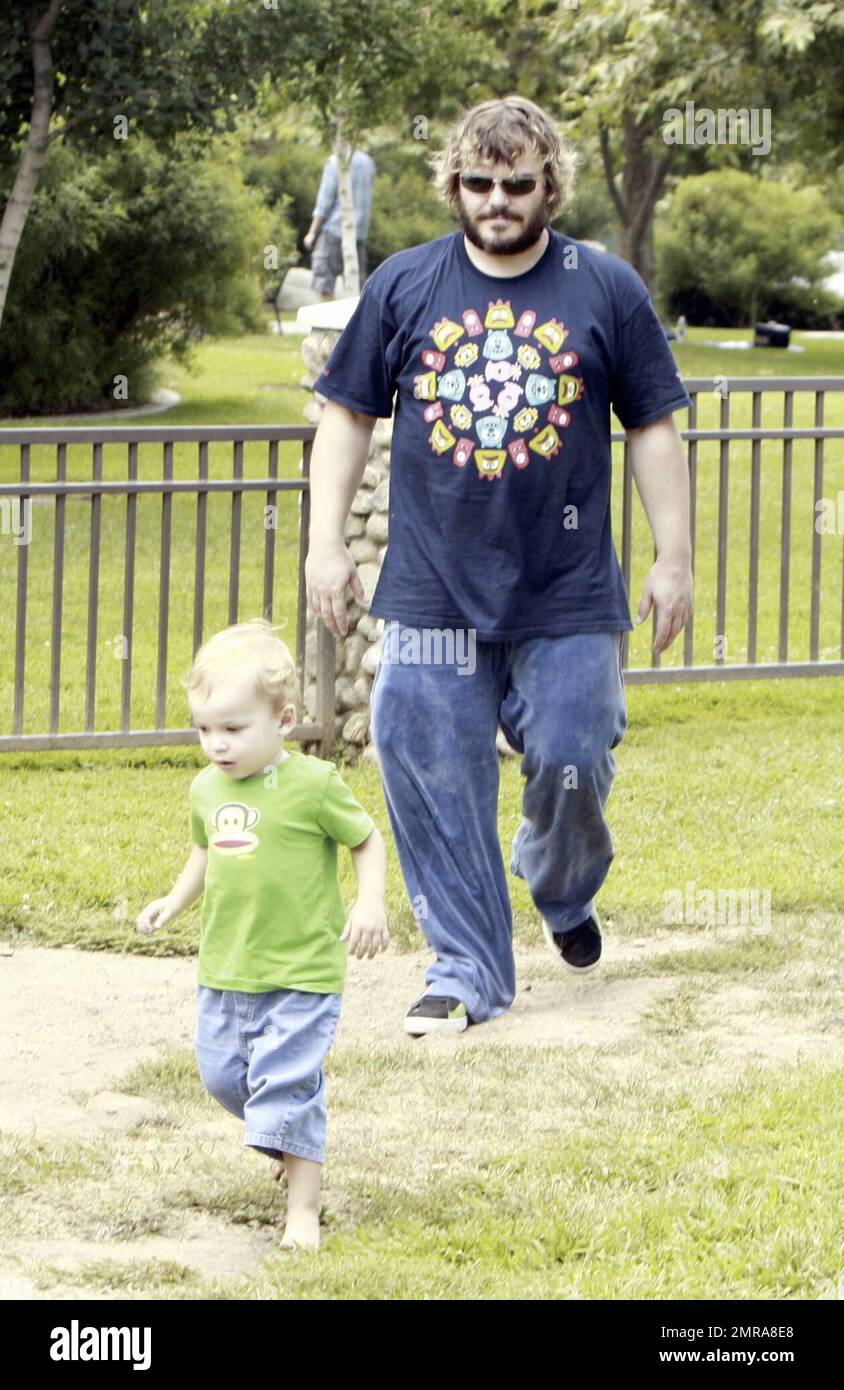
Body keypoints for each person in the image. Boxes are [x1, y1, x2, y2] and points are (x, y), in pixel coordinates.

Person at [305, 95, 694, 1037]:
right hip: (433, 590)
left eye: (517, 183)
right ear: (455, 185)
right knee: (430, 770)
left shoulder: (603, 287)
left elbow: (651, 425)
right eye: (478, 183)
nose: (496, 200)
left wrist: (673, 557)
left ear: (548, 183)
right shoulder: (405, 284)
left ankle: (560, 886)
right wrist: (323, 546)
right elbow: (348, 417)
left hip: (567, 592)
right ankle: (465, 966)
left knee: (572, 757)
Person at [135, 619, 389, 1248]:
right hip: (226, 969)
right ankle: (285, 1138)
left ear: (282, 719)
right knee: (223, 1076)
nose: (216, 744)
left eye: (232, 728)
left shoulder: (313, 784)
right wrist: (173, 900)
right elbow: (205, 852)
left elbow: (366, 840)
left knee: (289, 1085)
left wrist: (370, 903)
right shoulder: (206, 788)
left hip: (301, 974)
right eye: (204, 730)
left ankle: (302, 1208)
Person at [304, 147, 376, 300]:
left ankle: (328, 323)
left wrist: (312, 232)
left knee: (324, 282)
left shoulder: (335, 162)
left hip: (335, 230)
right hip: (359, 233)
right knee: (356, 286)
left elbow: (324, 202)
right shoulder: (368, 162)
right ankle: (354, 322)